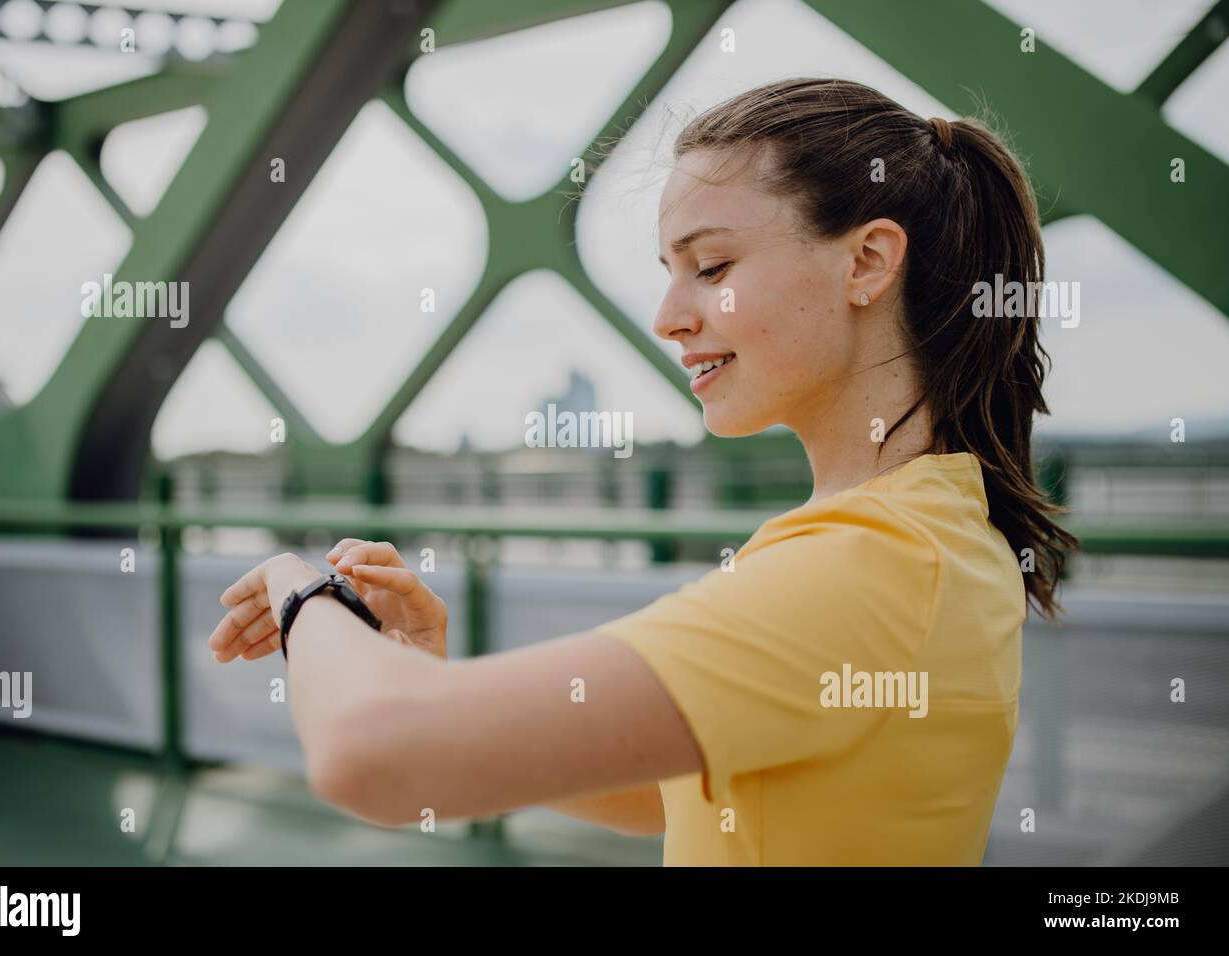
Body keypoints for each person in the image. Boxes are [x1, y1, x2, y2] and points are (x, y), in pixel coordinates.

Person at [207, 77, 1077, 866]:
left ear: (868, 261)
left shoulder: (873, 562)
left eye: (713, 267)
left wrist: (301, 593)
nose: (668, 317)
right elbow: (656, 795)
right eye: (670, 274)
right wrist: (433, 682)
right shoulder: (930, 527)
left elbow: (373, 757)